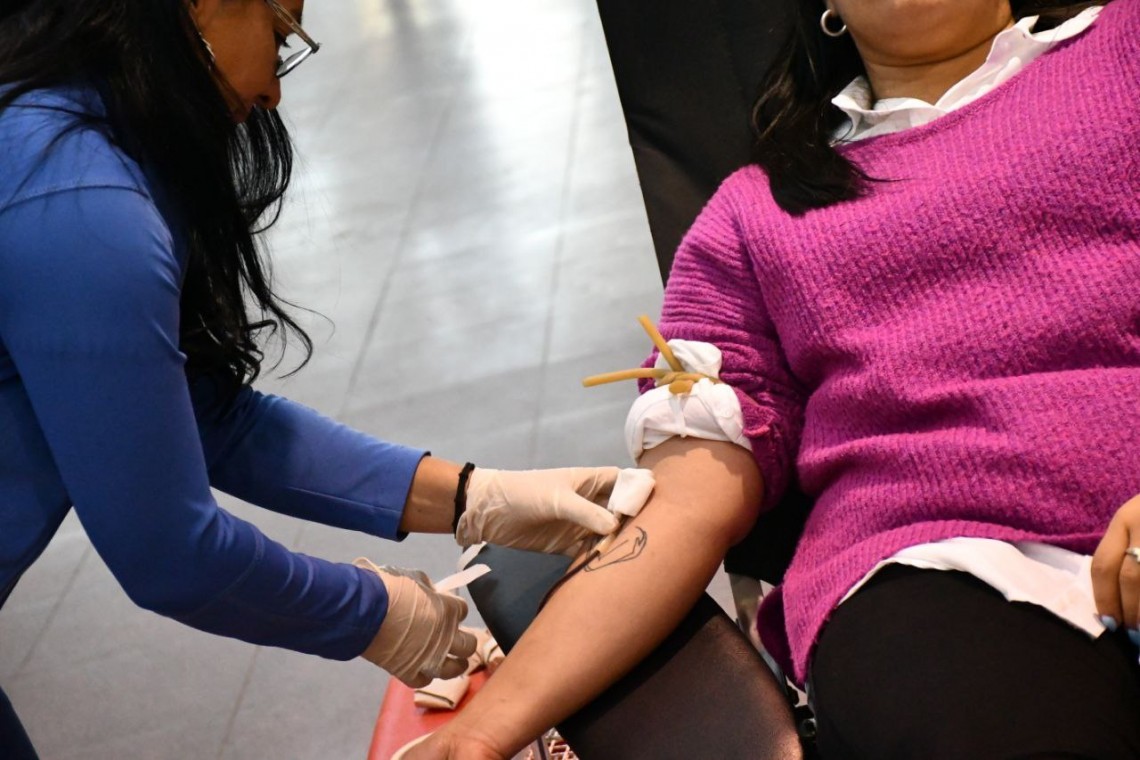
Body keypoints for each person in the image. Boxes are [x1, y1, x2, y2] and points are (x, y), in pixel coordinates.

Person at [398, 0, 1140, 757]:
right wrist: (481, 734)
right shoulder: (753, 215)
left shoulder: (1124, 51)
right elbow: (687, 507)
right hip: (940, 570)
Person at [0, 1, 639, 757]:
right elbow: (168, 553)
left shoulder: (74, 126)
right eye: (281, 35)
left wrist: (473, 496)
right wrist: (374, 613)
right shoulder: (80, 209)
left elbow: (201, 414)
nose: (273, 89)